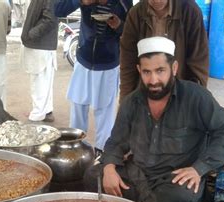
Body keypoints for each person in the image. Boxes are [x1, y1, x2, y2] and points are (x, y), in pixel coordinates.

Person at [84, 37, 224, 202]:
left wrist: (199, 169)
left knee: (182, 193)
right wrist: (109, 169)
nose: (153, 80)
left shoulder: (196, 97)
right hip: (137, 175)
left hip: (173, 179)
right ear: (139, 71)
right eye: (147, 72)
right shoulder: (131, 102)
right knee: (93, 176)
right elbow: (116, 141)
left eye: (160, 71)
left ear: (173, 69)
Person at [54, 0, 132, 155]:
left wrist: (119, 26)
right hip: (84, 60)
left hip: (108, 64)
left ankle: (102, 153)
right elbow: (58, 10)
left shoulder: (123, 2)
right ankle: (75, 148)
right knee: (78, 106)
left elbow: (131, 31)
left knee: (104, 112)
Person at [119, 0, 209, 102]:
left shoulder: (190, 11)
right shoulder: (135, 14)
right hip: (146, 95)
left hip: (179, 95)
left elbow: (199, 63)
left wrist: (195, 101)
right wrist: (124, 103)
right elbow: (128, 64)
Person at [21, 0, 58, 122]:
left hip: (40, 45)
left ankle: (37, 115)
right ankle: (46, 111)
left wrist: (31, 34)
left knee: (39, 82)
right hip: (42, 45)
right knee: (44, 81)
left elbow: (50, 19)